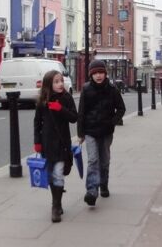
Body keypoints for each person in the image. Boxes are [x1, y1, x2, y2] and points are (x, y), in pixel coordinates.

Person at [77, 59, 125, 206]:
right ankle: (92, 190)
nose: (98, 76)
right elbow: (81, 112)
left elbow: (121, 109)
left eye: (101, 73)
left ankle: (103, 184)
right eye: (95, 73)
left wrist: (112, 122)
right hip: (90, 131)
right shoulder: (86, 89)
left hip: (106, 131)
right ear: (91, 75)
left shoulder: (112, 89)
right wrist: (80, 133)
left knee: (104, 161)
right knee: (93, 160)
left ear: (105, 74)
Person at [33, 69, 78, 222]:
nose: (60, 84)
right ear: (48, 85)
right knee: (51, 174)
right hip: (47, 143)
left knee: (58, 173)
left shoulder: (66, 97)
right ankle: (57, 202)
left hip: (62, 142)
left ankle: (55, 206)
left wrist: (61, 109)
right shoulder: (42, 101)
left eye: (61, 81)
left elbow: (74, 117)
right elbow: (37, 122)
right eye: (56, 82)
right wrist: (37, 142)